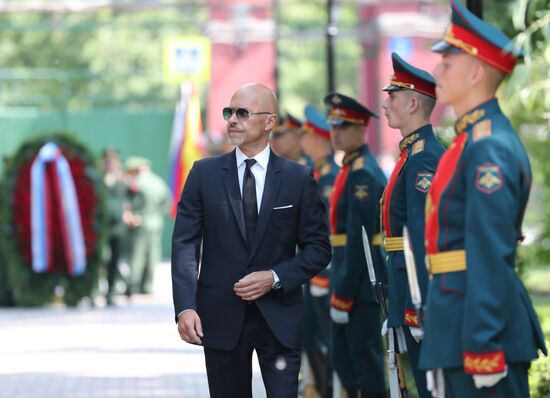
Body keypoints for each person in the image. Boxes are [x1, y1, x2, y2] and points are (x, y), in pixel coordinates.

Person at [418, 1, 547, 396]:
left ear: (476, 72)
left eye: (448, 63)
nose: (437, 69)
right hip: (459, 315)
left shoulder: (488, 147)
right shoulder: (470, 140)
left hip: (481, 329)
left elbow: (489, 249)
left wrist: (483, 343)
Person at [172, 83, 331, 398]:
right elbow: (185, 245)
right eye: (229, 112)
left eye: (242, 113)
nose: (232, 120)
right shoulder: (203, 174)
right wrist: (185, 307)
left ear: (269, 121)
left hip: (280, 316)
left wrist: (274, 277)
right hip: (219, 316)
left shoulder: (297, 178)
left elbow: (318, 248)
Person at [380, 52, 445, 398]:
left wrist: (415, 307)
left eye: (392, 96)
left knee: (429, 386)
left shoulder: (424, 158)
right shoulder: (410, 154)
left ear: (413, 104)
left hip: (416, 294)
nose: (386, 104)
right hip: (403, 285)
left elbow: (420, 238)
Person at [324, 92, 388, 398]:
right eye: (333, 126)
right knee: (348, 359)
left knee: (364, 362)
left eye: (343, 126)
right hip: (349, 278)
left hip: (359, 286)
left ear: (361, 128)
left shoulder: (362, 173)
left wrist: (344, 294)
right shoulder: (352, 167)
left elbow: (358, 241)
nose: (335, 132)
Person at [300, 104, 339, 398]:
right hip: (312, 272)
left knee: (326, 339)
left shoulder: (329, 180)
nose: (302, 141)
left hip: (323, 273)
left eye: (306, 135)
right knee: (311, 337)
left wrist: (321, 274)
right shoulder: (316, 175)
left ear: (318, 139)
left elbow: (328, 233)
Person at [125, 156, 170, 295]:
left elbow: (129, 203)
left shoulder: (136, 183)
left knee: (137, 254)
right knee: (153, 254)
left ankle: (133, 285)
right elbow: (167, 204)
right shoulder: (159, 182)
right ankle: (148, 286)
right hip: (156, 221)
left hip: (141, 220)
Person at [101, 147, 129, 305]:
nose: (110, 165)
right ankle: (93, 291)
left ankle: (110, 292)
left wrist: (129, 212)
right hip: (102, 226)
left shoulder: (122, 181)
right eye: (107, 162)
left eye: (112, 162)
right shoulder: (99, 179)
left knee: (115, 259)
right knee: (101, 259)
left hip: (117, 226)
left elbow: (132, 198)